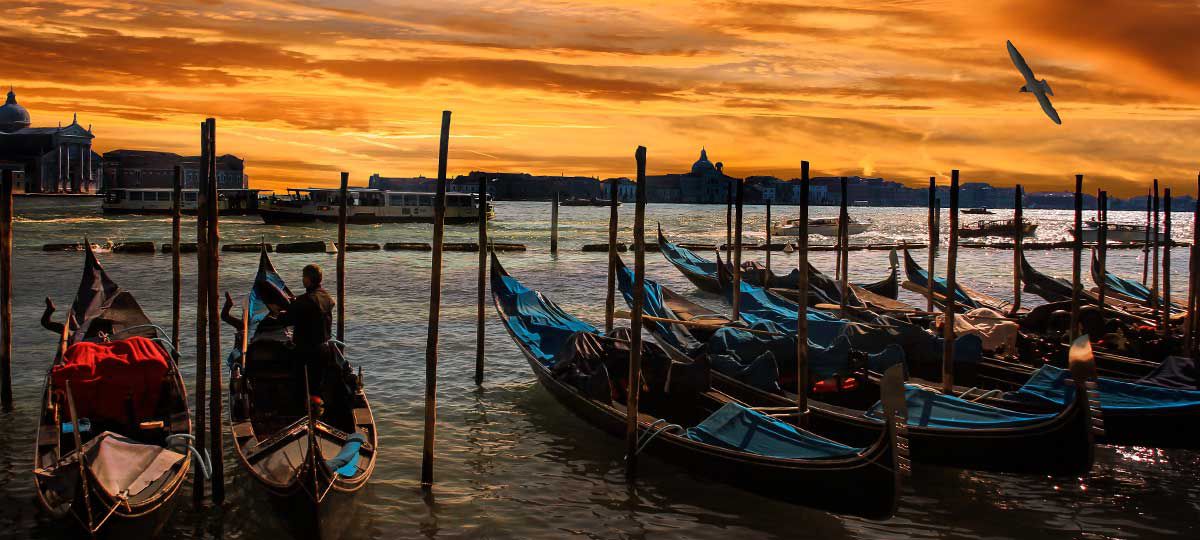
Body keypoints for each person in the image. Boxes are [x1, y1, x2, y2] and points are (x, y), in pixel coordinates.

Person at [268, 264, 335, 400]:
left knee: (304, 387)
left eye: (303, 277)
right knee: (318, 387)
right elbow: (308, 304)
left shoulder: (304, 302)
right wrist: (295, 302)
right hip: (324, 348)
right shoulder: (326, 296)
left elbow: (285, 320)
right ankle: (317, 412)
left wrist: (276, 312)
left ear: (308, 279)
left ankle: (305, 413)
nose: (302, 279)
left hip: (306, 352)